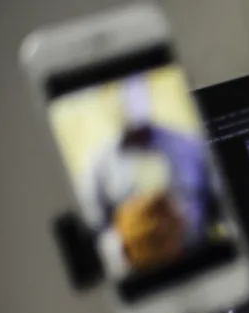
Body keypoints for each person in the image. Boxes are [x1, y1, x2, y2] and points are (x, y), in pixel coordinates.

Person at [78, 73, 210, 276]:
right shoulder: (97, 168)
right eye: (111, 90)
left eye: (132, 85)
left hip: (200, 267)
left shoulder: (190, 146)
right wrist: (128, 240)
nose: (123, 96)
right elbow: (93, 238)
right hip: (141, 279)